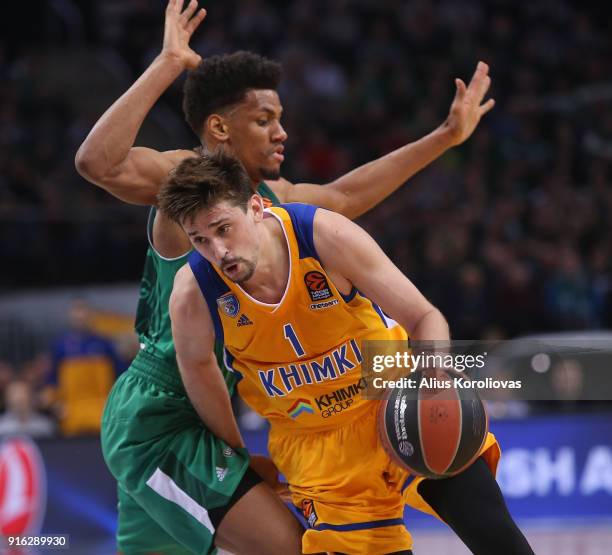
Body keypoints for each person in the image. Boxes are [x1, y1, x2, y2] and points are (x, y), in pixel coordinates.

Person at [75, 1, 495, 553]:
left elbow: (346, 196)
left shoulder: (272, 206)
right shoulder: (187, 183)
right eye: (264, 120)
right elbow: (96, 163)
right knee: (293, 547)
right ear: (219, 128)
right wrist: (170, 62)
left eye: (280, 119)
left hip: (212, 401)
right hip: (164, 411)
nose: (282, 133)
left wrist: (443, 136)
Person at [160, 151, 534, 555]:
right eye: (200, 240)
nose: (218, 251)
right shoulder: (193, 294)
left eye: (223, 229)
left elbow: (424, 316)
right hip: (318, 450)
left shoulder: (322, 236)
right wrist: (234, 452)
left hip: (394, 404)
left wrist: (433, 383)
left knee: (501, 543)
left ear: (255, 207)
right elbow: (198, 368)